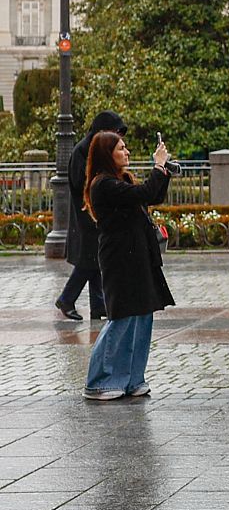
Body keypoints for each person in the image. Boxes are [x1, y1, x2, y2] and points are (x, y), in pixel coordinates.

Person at [81, 131, 177, 400]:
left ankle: (132, 379)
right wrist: (158, 165)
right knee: (122, 317)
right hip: (119, 259)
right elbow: (145, 192)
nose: (127, 152)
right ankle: (99, 381)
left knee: (143, 315)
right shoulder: (103, 184)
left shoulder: (121, 180)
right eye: (121, 148)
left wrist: (163, 170)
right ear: (107, 154)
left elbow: (152, 196)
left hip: (138, 257)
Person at [57, 111, 126, 321]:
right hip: (86, 214)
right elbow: (80, 182)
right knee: (88, 261)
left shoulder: (92, 149)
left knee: (96, 260)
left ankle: (98, 305)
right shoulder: (82, 151)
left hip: (95, 212)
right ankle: (67, 298)